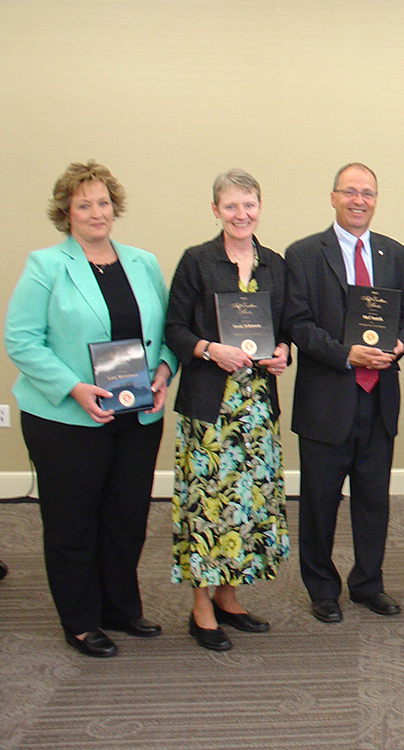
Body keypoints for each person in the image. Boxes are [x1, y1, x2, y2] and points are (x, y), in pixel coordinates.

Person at [4, 161, 175, 657]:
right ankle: (80, 621)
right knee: (72, 520)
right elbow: (21, 340)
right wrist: (74, 387)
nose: (96, 212)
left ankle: (120, 608)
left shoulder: (142, 262)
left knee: (126, 516)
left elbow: (166, 332)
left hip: (138, 414)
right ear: (67, 212)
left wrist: (163, 372)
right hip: (68, 419)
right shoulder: (46, 266)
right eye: (84, 204)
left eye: (103, 202)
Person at [285, 162, 404, 624]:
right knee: (320, 503)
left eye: (368, 193)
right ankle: (323, 589)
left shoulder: (393, 253)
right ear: (333, 197)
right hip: (327, 400)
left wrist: (400, 343)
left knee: (373, 501)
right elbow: (298, 325)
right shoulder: (302, 254)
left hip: (379, 398)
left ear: (376, 199)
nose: (359, 200)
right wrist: (347, 355)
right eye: (350, 192)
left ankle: (368, 583)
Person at [165, 169, 290, 651]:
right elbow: (173, 327)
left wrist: (283, 350)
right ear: (216, 210)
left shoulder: (275, 264)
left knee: (247, 503)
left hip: (256, 406)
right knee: (206, 505)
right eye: (231, 206)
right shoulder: (197, 261)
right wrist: (207, 349)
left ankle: (227, 596)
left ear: (260, 207)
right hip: (209, 407)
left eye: (249, 205)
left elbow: (290, 323)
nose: (242, 214)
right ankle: (200, 609)